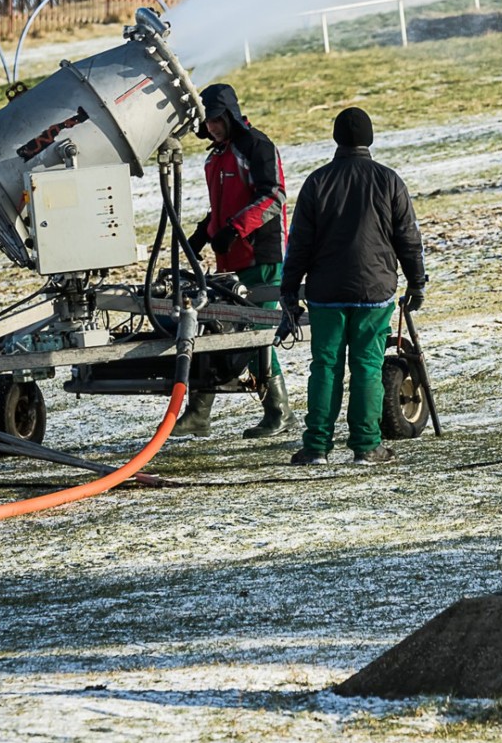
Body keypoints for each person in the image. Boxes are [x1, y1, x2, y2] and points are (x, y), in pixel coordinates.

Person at [281, 106, 426, 466]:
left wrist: (288, 289)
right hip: (374, 291)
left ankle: (316, 446)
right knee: (367, 366)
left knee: (325, 365)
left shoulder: (317, 181)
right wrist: (416, 282)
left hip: (326, 292)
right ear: (370, 139)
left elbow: (299, 242)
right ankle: (366, 446)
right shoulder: (389, 180)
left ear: (336, 139)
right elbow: (407, 237)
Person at [172, 82, 295, 439]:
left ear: (229, 114)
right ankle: (198, 415)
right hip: (230, 258)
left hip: (261, 256)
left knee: (257, 336)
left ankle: (279, 412)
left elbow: (274, 197)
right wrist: (203, 234)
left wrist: (234, 229)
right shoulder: (216, 156)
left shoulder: (256, 146)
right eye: (206, 122)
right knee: (216, 331)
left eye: (215, 119)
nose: (210, 127)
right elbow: (222, 208)